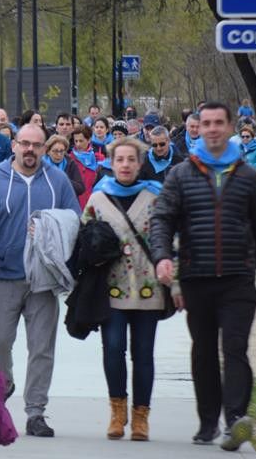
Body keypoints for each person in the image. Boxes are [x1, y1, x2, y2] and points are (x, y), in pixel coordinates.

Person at [149, 101, 256, 452]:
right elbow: (162, 220)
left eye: (219, 122)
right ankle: (207, 423)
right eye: (206, 123)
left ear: (230, 126)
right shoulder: (181, 174)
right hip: (196, 277)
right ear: (198, 128)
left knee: (235, 348)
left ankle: (235, 420)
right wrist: (162, 258)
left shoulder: (249, 178)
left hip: (238, 277)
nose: (213, 129)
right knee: (204, 351)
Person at [0, 124, 81, 438]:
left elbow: (75, 223)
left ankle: (36, 412)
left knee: (42, 348)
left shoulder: (58, 181)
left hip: (43, 280)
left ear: (45, 149)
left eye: (37, 145)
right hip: (1, 277)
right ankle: (3, 386)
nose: (30, 150)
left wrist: (52, 228)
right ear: (14, 146)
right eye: (25, 144)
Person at [84, 138, 164, 442]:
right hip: (112, 288)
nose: (126, 165)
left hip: (148, 288)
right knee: (114, 349)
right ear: (111, 162)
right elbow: (84, 237)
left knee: (144, 354)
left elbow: (168, 235)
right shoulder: (98, 198)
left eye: (132, 159)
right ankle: (117, 412)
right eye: (120, 160)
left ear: (140, 163)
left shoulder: (155, 197)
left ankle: (141, 417)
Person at [44, 134, 85, 200]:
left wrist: (63, 178)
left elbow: (80, 189)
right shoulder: (41, 166)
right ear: (48, 151)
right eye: (55, 151)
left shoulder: (71, 163)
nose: (59, 154)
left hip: (66, 204)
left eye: (62, 151)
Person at [70, 125, 99, 208]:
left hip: (93, 202)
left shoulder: (98, 158)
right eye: (76, 141)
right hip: (75, 203)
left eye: (81, 141)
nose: (78, 144)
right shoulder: (69, 159)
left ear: (89, 139)